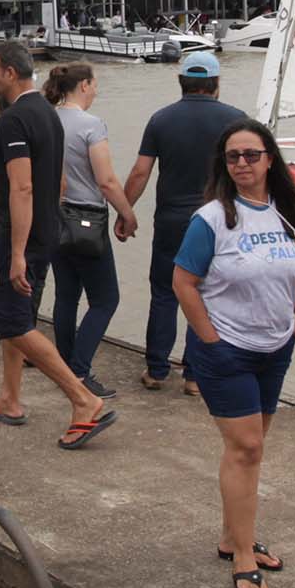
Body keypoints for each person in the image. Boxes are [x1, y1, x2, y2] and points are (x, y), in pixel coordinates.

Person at [170, 116, 295, 588]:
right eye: (233, 157)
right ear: (223, 165)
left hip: (275, 348)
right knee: (246, 448)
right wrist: (208, 338)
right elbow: (183, 283)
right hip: (226, 350)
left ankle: (234, 536)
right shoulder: (211, 219)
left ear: (270, 159)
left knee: (253, 448)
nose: (243, 163)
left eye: (251, 154)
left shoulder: (286, 211)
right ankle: (244, 555)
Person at [0, 42, 112, 448]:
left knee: (10, 320)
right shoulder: (49, 116)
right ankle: (10, 398)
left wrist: (16, 252)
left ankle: (82, 399)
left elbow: (22, 186)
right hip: (46, 231)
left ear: (11, 74)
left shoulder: (15, 120)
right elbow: (61, 182)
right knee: (16, 318)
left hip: (23, 237)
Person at [123, 55, 252, 394]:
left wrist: (125, 211)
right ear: (217, 83)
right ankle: (195, 376)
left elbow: (140, 172)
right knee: (207, 296)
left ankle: (156, 370)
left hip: (170, 220)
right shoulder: (236, 122)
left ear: (180, 82)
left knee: (164, 293)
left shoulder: (161, 119)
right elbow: (249, 170)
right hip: (217, 222)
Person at [44, 63, 135, 397]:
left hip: (53, 217)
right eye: (95, 85)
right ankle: (80, 372)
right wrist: (127, 213)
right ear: (83, 85)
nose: (96, 91)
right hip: (87, 220)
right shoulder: (91, 125)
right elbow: (107, 181)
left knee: (66, 295)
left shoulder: (47, 119)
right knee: (105, 298)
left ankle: (64, 366)